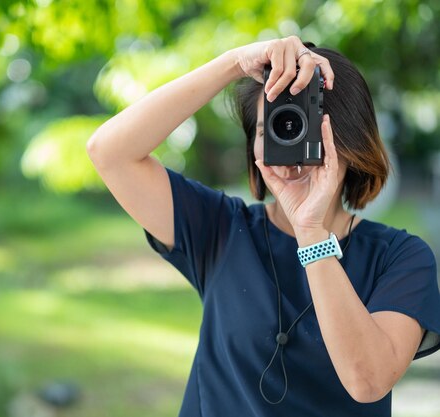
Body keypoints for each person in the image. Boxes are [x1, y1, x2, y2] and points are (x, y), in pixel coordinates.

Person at [86, 36, 440, 416]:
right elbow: (109, 152)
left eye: (303, 127)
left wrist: (311, 231)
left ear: (348, 141)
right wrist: (235, 62)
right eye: (273, 128)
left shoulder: (400, 258)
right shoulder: (221, 228)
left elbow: (367, 380)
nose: (289, 147)